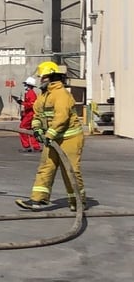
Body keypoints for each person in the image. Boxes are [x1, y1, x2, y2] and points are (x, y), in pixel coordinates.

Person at [16, 62, 86, 212]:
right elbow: (37, 114)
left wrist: (50, 133)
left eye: (43, 77)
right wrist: (37, 129)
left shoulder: (61, 94)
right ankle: (37, 199)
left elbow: (62, 116)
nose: (41, 80)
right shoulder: (44, 96)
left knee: (70, 170)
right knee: (46, 167)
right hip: (52, 138)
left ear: (51, 77)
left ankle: (78, 201)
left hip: (70, 138)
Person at [13, 76, 41, 152]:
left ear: (29, 85)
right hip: (29, 114)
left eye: (25, 84)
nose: (25, 86)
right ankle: (36, 147)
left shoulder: (31, 93)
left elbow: (32, 104)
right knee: (31, 130)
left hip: (30, 114)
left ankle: (26, 146)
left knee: (22, 129)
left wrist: (22, 103)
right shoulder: (29, 93)